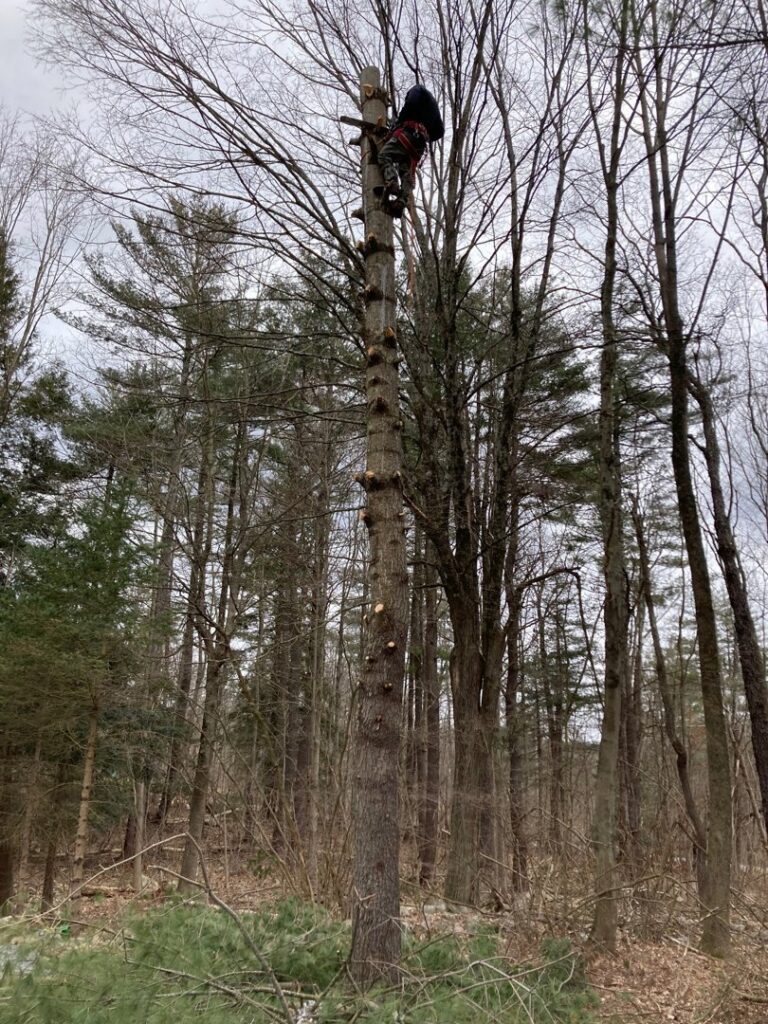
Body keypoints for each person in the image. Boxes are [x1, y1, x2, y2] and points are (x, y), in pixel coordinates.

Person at [376, 84, 444, 215]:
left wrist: (401, 121)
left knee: (384, 156)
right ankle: (401, 201)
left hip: (408, 135)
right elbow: (440, 132)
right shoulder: (433, 107)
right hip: (418, 145)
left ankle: (392, 182)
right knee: (405, 171)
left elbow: (411, 102)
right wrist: (426, 135)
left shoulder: (417, 89)